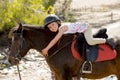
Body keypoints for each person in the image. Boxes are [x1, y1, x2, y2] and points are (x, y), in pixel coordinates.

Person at [41, 14, 109, 56]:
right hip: (79, 30)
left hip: (85, 28)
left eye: (53, 24)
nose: (52, 28)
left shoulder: (63, 28)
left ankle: (105, 41)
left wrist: (46, 49)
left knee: (90, 41)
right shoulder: (60, 28)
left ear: (58, 22)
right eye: (49, 27)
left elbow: (55, 39)